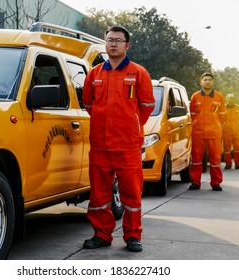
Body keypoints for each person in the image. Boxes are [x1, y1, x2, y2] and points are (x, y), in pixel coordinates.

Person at [82, 26, 155, 252]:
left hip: (128, 147)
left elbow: (147, 106)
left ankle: (133, 236)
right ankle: (102, 234)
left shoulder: (139, 73)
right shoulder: (94, 74)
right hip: (100, 146)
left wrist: (130, 125)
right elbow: (88, 104)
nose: (113, 44)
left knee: (131, 195)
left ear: (127, 45)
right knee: (99, 196)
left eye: (118, 40)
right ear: (105, 43)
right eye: (110, 40)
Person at [189, 72, 226, 191]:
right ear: (201, 82)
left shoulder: (219, 97)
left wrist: (216, 126)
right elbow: (192, 115)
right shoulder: (195, 96)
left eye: (210, 79)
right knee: (196, 159)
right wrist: (197, 125)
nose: (207, 81)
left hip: (214, 133)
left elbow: (222, 117)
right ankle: (195, 182)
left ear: (213, 82)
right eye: (205, 79)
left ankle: (216, 183)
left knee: (215, 159)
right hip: (197, 133)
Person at [222, 94, 239, 170]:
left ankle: (238, 164)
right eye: (230, 98)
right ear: (227, 99)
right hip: (227, 131)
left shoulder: (237, 107)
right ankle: (228, 164)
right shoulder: (223, 108)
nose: (231, 100)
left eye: (233, 98)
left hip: (236, 131)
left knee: (237, 149)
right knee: (227, 149)